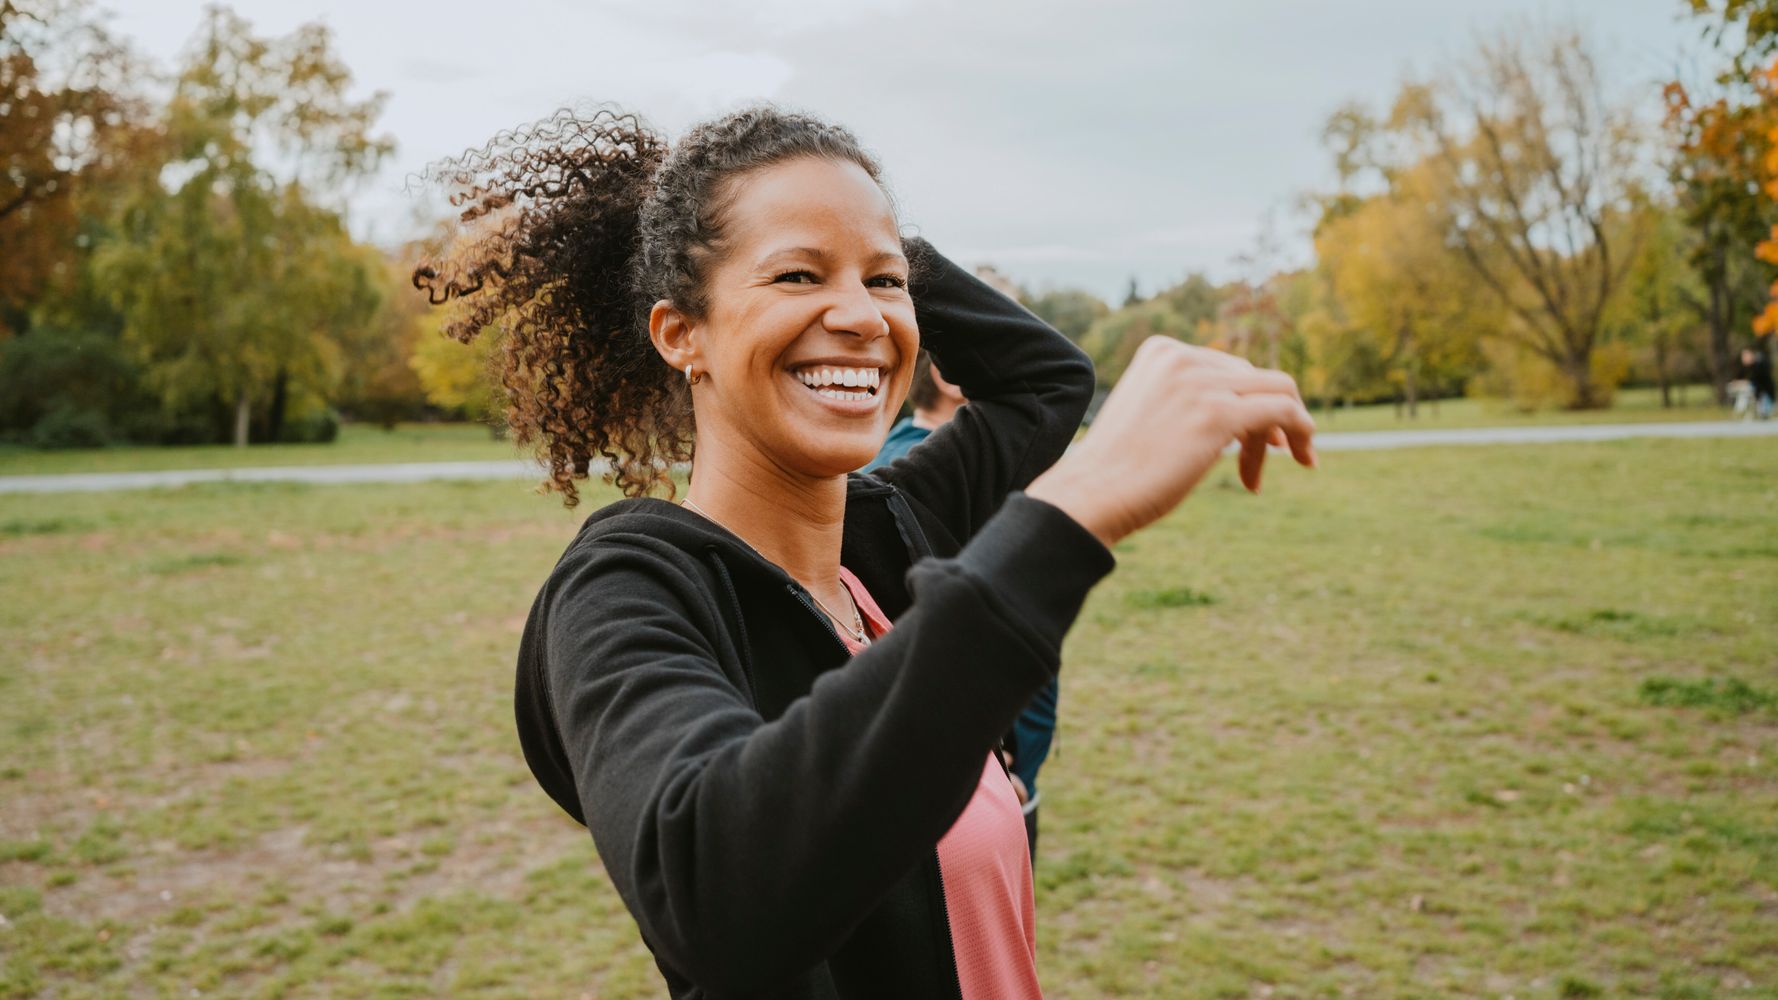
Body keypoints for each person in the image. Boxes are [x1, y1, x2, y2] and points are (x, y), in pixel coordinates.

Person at [415, 105, 1316, 1000]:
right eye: (797, 275)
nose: (860, 317)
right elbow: (716, 900)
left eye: (887, 283)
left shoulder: (893, 531)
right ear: (680, 333)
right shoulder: (629, 591)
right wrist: (1069, 514)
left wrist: (854, 231)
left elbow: (1045, 382)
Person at [863, 353, 1058, 861]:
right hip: (979, 772)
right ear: (950, 376)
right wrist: (984, 753)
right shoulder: (930, 477)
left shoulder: (892, 455)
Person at [1737, 346, 1774, 420]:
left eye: (1745, 356)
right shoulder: (1751, 366)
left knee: (1764, 412)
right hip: (1760, 394)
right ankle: (1742, 411)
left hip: (1765, 394)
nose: (1743, 359)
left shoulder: (1759, 364)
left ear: (1751, 355)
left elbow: (1756, 381)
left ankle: (1742, 411)